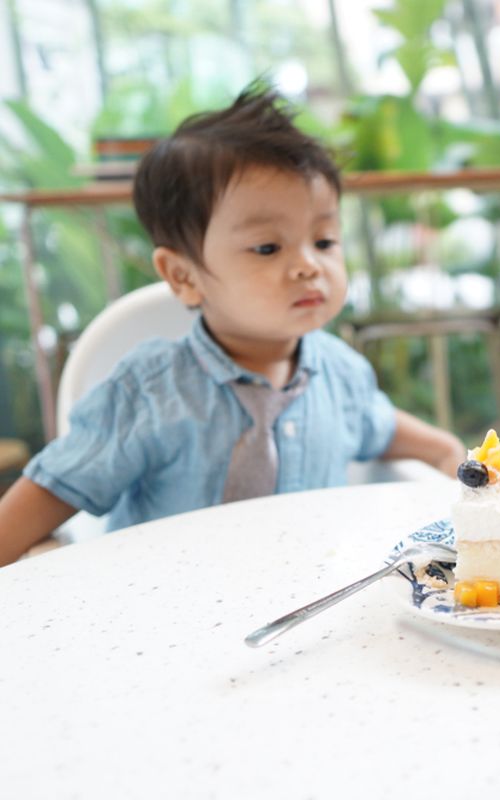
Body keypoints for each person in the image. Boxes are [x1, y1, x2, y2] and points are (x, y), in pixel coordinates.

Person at [0, 84, 464, 567]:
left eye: (324, 241)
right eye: (268, 248)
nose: (309, 265)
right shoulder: (151, 391)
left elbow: (380, 426)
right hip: (161, 607)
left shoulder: (341, 373)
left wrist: (447, 451)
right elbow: (53, 488)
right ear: (183, 276)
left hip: (301, 601)